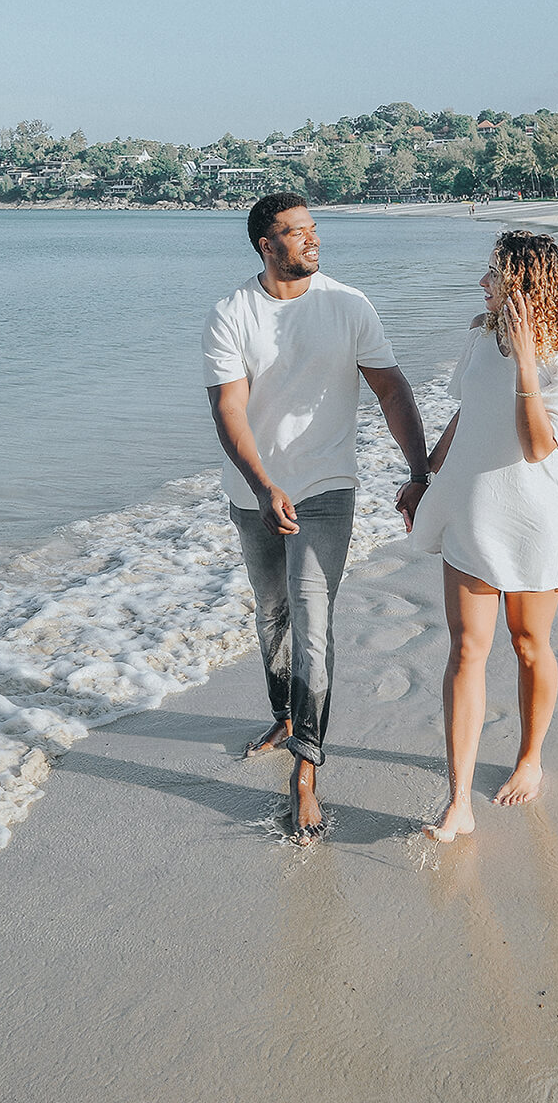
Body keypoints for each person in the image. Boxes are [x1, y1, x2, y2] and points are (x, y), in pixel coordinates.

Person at [203, 194, 429, 842]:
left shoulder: (349, 305)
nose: (312, 240)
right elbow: (229, 412)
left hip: (328, 488)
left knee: (313, 621)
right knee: (271, 611)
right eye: (294, 233)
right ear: (264, 246)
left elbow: (391, 388)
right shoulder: (231, 314)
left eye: (313, 229)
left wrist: (418, 473)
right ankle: (283, 714)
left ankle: (307, 769)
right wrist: (264, 483)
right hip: (254, 492)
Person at [411, 230, 558, 841]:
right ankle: (458, 799)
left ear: (524, 282)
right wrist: (424, 474)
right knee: (466, 648)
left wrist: (523, 361)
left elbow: (539, 444)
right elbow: (466, 411)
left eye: (494, 273)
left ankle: (530, 757)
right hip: (470, 507)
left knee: (526, 644)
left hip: (533, 515)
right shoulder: (478, 330)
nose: (482, 283)